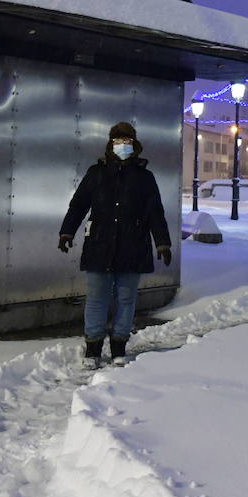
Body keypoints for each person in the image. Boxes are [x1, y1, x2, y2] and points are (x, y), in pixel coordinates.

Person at [59, 121, 173, 369]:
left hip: (133, 244)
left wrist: (162, 243)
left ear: (135, 144)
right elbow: (78, 205)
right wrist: (67, 231)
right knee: (97, 298)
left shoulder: (144, 177)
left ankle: (119, 346)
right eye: (118, 141)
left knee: (125, 298)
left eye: (127, 141)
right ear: (110, 144)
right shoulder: (96, 173)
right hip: (100, 244)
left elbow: (155, 212)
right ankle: (93, 349)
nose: (122, 145)